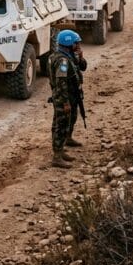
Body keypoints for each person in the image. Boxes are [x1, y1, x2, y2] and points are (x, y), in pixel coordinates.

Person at [48, 29, 86, 169]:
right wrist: (65, 102)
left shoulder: (66, 56)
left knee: (63, 122)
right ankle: (57, 156)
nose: (78, 45)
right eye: (76, 43)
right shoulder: (62, 60)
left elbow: (83, 67)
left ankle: (61, 149)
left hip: (69, 95)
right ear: (69, 43)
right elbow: (61, 82)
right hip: (64, 97)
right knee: (61, 125)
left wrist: (80, 58)